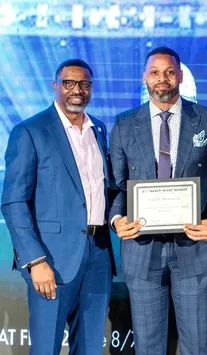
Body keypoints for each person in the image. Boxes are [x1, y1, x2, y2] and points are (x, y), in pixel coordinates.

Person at [109, 47, 207, 355]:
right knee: (148, 346)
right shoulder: (124, 123)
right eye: (155, 72)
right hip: (141, 248)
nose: (162, 79)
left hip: (195, 248)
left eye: (168, 72)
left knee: (197, 344)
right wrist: (116, 220)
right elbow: (115, 185)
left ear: (179, 76)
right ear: (145, 78)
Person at [1, 58, 116, 354]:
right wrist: (35, 260)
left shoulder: (99, 130)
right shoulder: (30, 131)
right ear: (55, 86)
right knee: (45, 348)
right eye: (69, 83)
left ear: (91, 89)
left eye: (84, 84)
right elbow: (14, 201)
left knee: (90, 347)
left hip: (99, 253)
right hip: (51, 259)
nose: (77, 90)